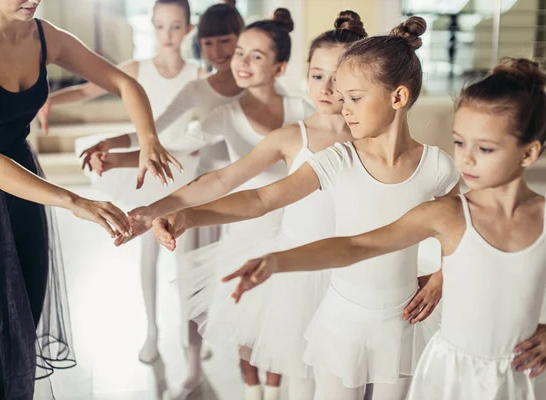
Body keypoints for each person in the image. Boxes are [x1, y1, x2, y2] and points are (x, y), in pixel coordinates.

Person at [151, 17, 459, 400]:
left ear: (398, 98)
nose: (344, 107)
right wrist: (189, 215)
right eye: (342, 98)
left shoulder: (438, 167)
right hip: (342, 319)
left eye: (355, 98)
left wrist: (442, 278)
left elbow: (460, 230)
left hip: (401, 321)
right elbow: (261, 198)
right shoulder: (338, 159)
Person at [224, 58, 546, 400]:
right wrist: (276, 262)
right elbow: (356, 246)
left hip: (518, 377)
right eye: (459, 143)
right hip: (445, 374)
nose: (465, 159)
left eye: (484, 148)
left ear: (529, 153)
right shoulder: (445, 214)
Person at [0, 0, 176, 398]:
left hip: (22, 191)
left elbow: (124, 83)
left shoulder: (43, 34)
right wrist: (76, 202)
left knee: (20, 345)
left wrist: (149, 138)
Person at [38, 0, 203, 366]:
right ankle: (151, 330)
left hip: (182, 169)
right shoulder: (136, 69)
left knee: (186, 260)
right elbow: (84, 91)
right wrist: (46, 100)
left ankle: (189, 340)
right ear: (152, 26)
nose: (168, 35)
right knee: (147, 253)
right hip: (143, 166)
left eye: (176, 26)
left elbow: (198, 131)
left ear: (189, 29)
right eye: (161, 26)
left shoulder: (197, 75)